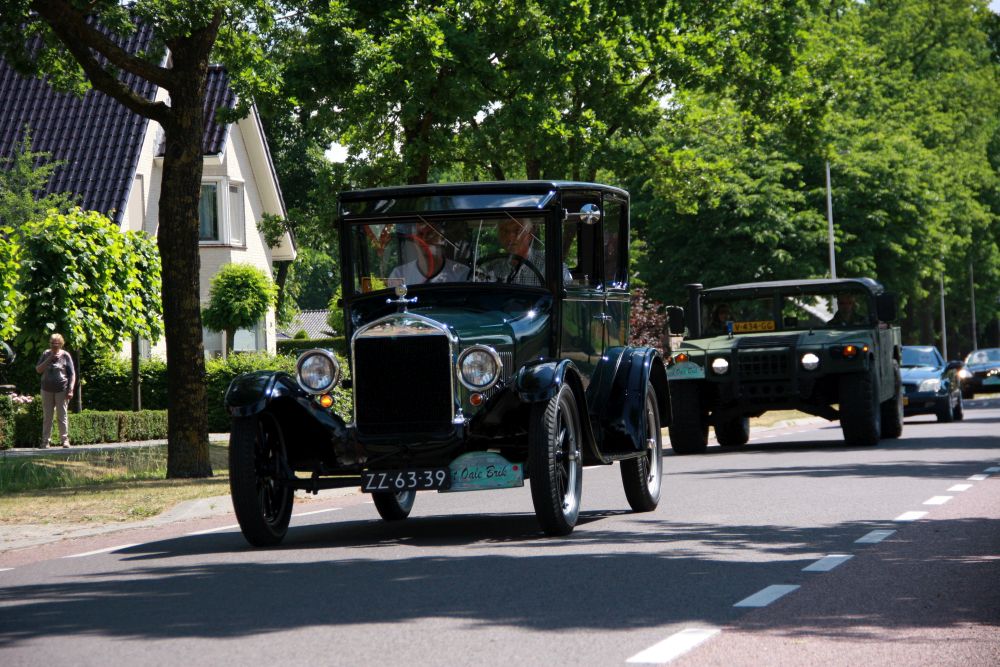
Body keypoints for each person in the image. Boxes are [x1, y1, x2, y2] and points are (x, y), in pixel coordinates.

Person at [484, 218, 571, 286]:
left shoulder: (551, 266)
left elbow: (565, 303)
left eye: (517, 230)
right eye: (505, 231)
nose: (510, 238)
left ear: (530, 234)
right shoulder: (492, 268)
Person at [389, 221, 470, 284]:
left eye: (430, 233)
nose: (424, 239)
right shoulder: (399, 275)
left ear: (441, 239)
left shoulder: (462, 274)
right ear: (414, 240)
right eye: (420, 234)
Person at [35, 333, 75, 448]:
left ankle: (65, 440)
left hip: (62, 389)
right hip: (46, 389)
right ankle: (45, 441)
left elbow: (72, 374)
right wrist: (49, 359)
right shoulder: (45, 354)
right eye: (52, 343)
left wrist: (71, 389)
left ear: (61, 344)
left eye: (57, 344)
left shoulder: (65, 355)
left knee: (62, 415)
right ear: (50, 343)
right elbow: (38, 369)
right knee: (47, 416)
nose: (54, 346)